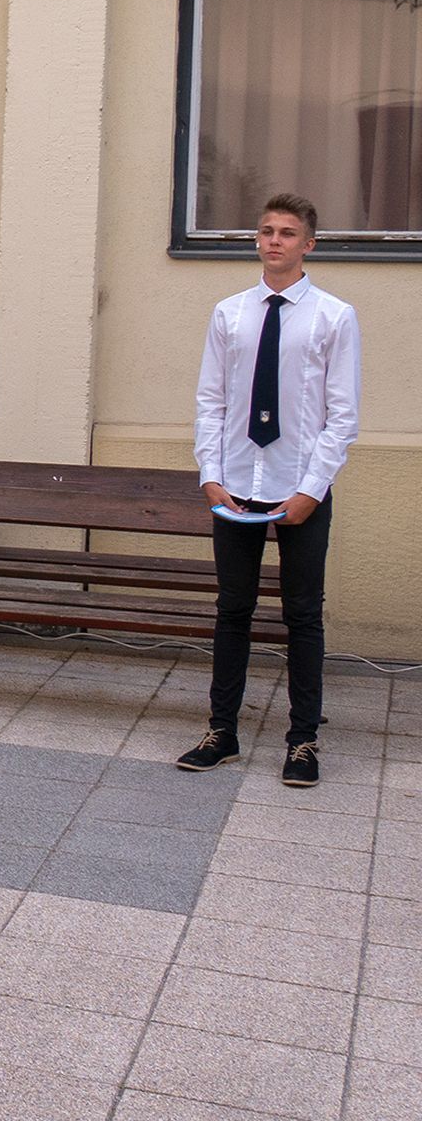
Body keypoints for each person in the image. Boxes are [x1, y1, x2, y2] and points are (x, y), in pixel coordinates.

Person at [180, 192, 359, 789]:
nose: (274, 240)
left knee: (303, 615)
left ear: (309, 244)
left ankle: (303, 741)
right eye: (266, 231)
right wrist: (210, 476)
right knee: (233, 611)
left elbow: (342, 416)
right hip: (236, 489)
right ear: (256, 240)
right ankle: (221, 732)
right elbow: (210, 402)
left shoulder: (334, 317)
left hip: (299, 490)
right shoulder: (230, 314)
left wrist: (311, 490)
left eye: (287, 232)